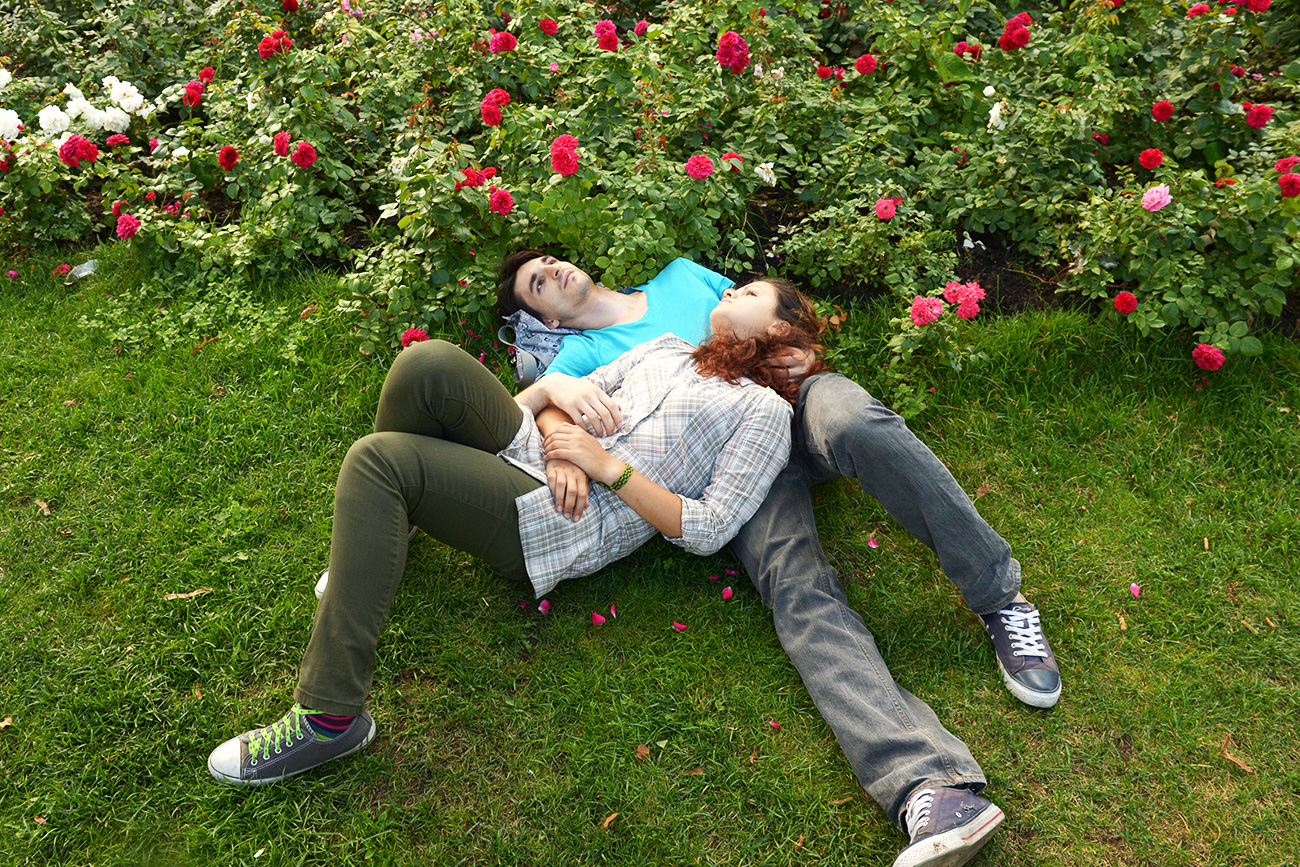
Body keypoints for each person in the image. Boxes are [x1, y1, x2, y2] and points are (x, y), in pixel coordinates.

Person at [496, 251, 1062, 867]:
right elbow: (557, 407)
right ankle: (930, 788)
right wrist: (559, 444)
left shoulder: (684, 280)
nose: (554, 275)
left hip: (795, 395)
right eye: (537, 285)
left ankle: (999, 597)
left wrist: (802, 353)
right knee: (797, 589)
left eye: (552, 263)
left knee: (854, 423)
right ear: (543, 320)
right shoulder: (581, 352)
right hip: (727, 459)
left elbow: (781, 310)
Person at [206, 279, 822, 789]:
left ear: (777, 329)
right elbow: (569, 401)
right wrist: (560, 442)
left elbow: (710, 526)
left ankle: (330, 718)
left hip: (566, 517)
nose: (731, 289)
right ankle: (387, 530)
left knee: (380, 460)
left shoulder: (764, 413)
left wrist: (606, 467)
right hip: (544, 459)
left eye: (748, 292)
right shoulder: (667, 349)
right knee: (429, 363)